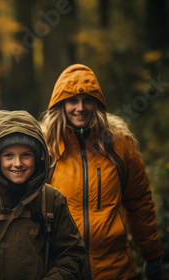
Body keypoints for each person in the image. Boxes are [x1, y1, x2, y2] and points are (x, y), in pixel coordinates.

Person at [40, 64, 164, 280]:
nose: (81, 107)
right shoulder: (45, 148)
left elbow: (139, 203)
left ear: (96, 104)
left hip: (115, 270)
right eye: (72, 100)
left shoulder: (119, 144)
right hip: (61, 271)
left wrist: (152, 256)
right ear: (61, 105)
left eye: (87, 100)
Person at [0, 110, 86, 279]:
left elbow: (72, 255)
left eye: (26, 155)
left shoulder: (52, 200)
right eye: (8, 156)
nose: (17, 163)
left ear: (37, 158)